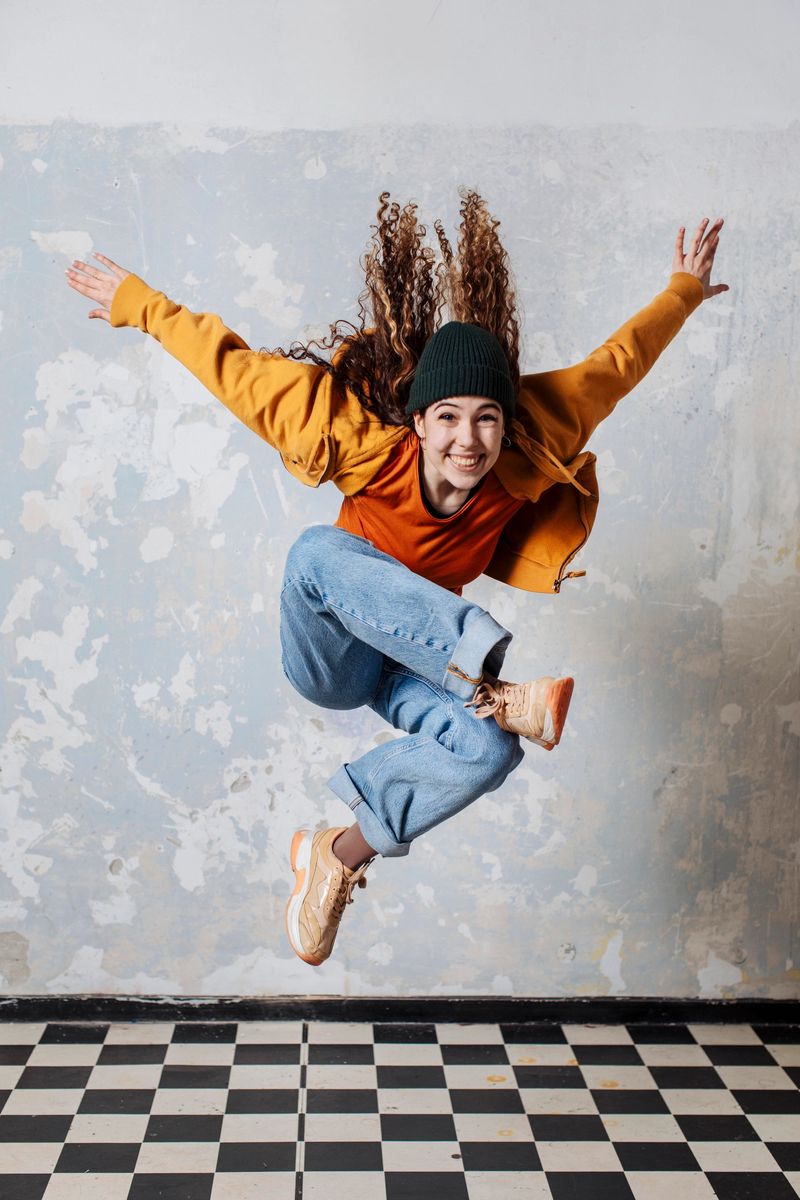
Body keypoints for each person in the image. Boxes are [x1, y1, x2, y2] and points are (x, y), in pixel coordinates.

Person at [65, 192, 727, 967]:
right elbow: (236, 371)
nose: (468, 440)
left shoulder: (526, 449)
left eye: (487, 417)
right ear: (418, 423)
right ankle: (491, 684)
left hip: (414, 664)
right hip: (333, 651)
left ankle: (336, 854)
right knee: (316, 552)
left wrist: (682, 292)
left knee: (490, 752)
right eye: (447, 417)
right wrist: (138, 305)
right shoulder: (354, 441)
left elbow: (612, 369)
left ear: (507, 423)